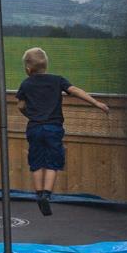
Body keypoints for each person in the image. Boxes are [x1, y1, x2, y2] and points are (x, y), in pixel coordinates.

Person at [15, 47, 108, 216]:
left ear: (28, 69)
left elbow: (20, 105)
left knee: (36, 161)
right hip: (53, 128)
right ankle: (46, 194)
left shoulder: (26, 84)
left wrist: (31, 115)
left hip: (34, 128)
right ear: (46, 65)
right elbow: (75, 91)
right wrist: (96, 103)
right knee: (53, 161)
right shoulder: (57, 80)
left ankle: (38, 194)